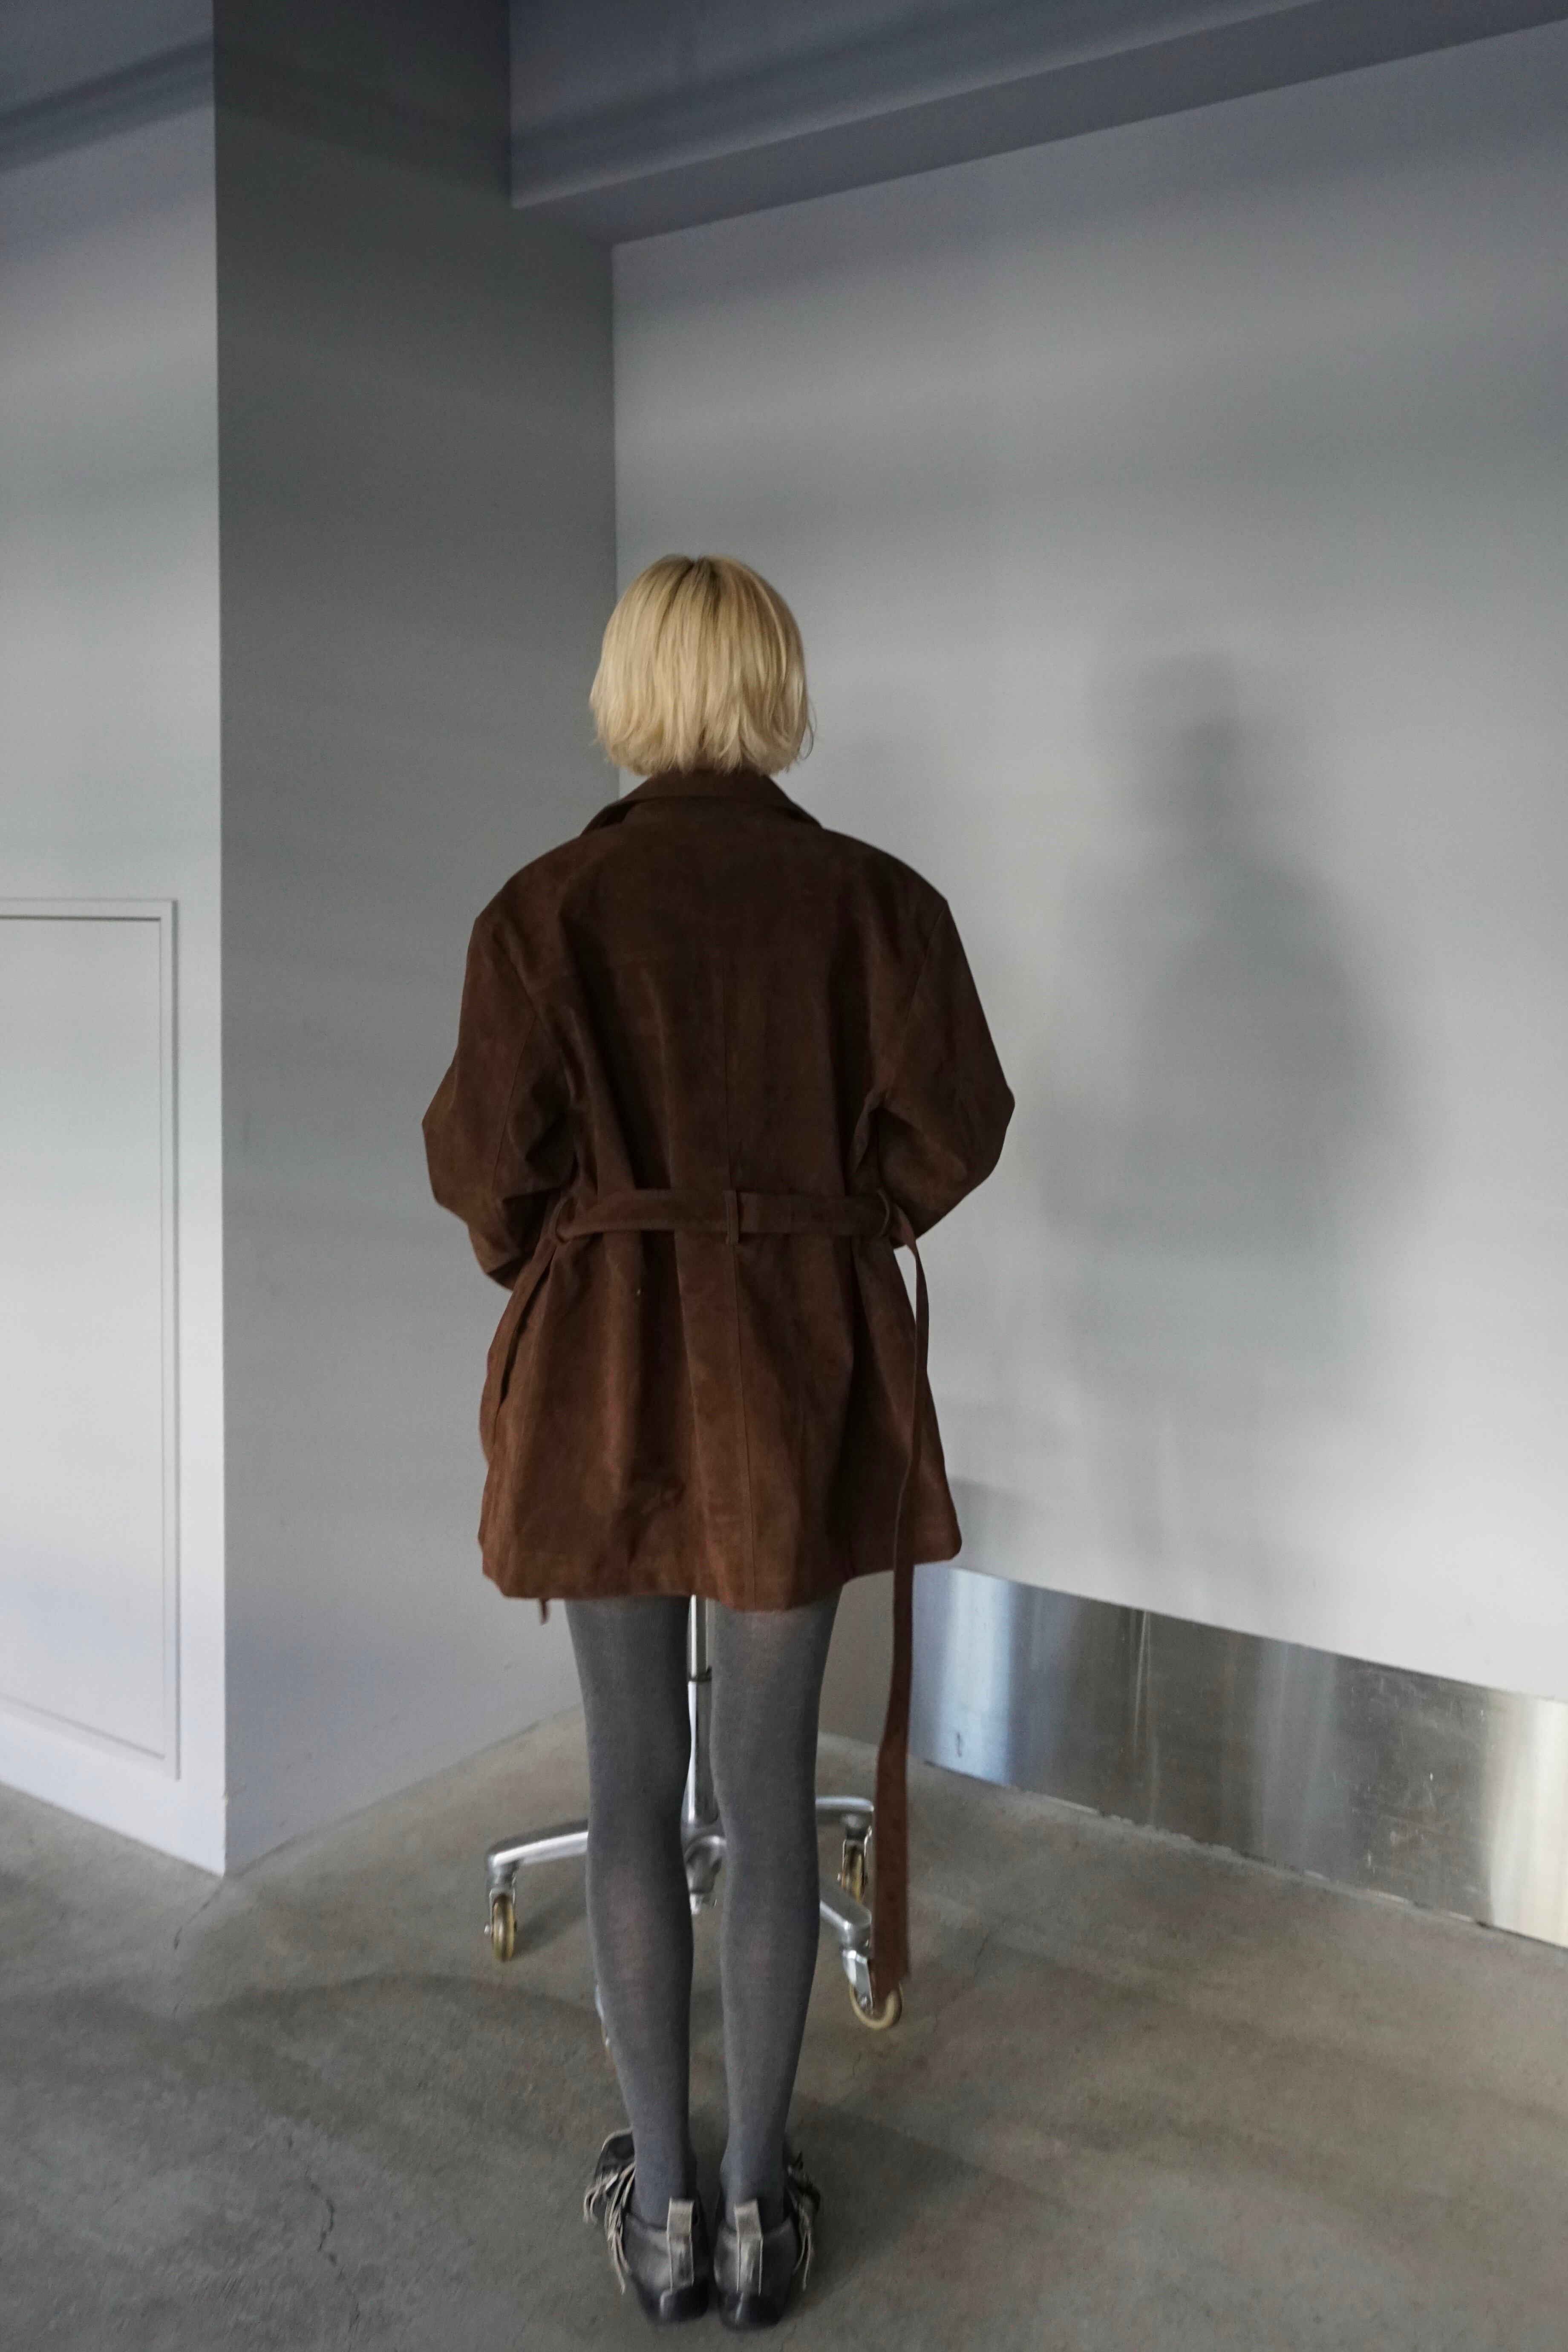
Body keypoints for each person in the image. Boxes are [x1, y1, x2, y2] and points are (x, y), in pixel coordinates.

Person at [423, 556, 1012, 2326]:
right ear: (774, 686)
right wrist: (821, 1232)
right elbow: (956, 1132)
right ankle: (759, 2212)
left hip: (601, 1377)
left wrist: (597, 1248)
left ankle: (661, 2215)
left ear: (628, 689)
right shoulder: (877, 905)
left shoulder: (542, 912)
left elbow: (482, 1174)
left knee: (629, 1785)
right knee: (761, 1792)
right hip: (794, 1383)